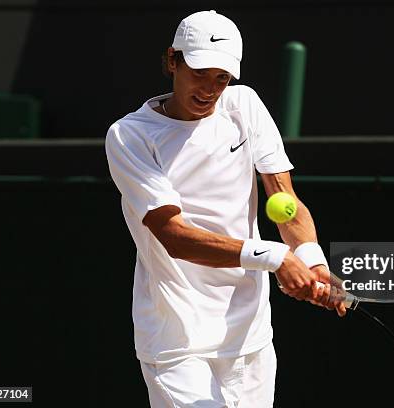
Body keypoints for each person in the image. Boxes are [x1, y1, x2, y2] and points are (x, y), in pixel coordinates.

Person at [105, 10, 345, 408]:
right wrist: (275, 257)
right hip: (178, 343)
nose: (210, 89)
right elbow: (174, 237)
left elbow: (284, 199)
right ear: (171, 61)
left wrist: (311, 259)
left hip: (250, 339)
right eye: (199, 73)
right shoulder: (129, 136)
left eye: (221, 78)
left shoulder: (244, 105)